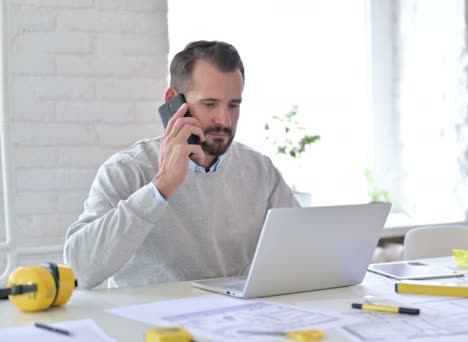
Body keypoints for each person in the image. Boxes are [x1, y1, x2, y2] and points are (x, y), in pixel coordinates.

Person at [63, 40, 298, 289]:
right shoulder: (127, 169)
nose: (225, 119)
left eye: (233, 105)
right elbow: (79, 270)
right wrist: (160, 187)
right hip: (148, 323)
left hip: (231, 319)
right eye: (210, 104)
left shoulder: (260, 171)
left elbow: (306, 247)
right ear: (174, 101)